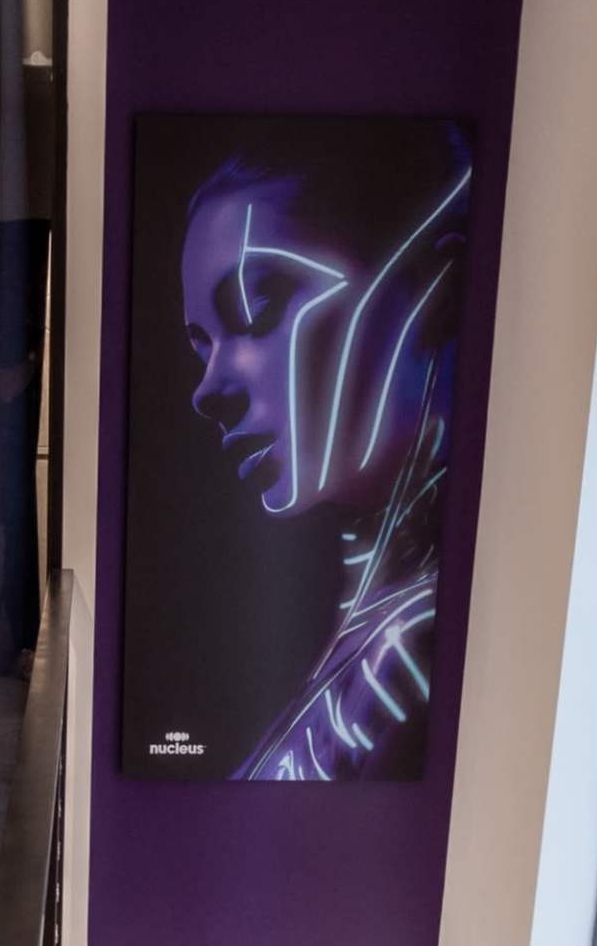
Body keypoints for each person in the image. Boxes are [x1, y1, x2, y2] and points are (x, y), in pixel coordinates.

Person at [171, 126, 471, 782]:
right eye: (201, 345)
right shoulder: (374, 624)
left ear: (435, 281)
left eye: (261, 304)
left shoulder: (419, 645)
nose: (207, 388)